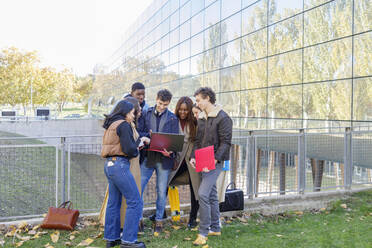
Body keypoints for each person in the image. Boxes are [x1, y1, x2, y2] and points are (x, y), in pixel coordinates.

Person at [101, 100, 150, 248]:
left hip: (109, 165)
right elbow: (130, 150)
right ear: (125, 112)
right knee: (135, 202)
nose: (133, 115)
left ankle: (112, 238)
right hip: (120, 166)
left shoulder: (111, 124)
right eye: (132, 113)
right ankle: (129, 241)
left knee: (113, 202)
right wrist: (140, 142)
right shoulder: (124, 124)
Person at [190, 87, 233, 246]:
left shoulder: (223, 118)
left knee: (202, 194)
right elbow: (197, 140)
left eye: (199, 100)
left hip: (215, 162)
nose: (197, 103)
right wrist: (193, 157)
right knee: (212, 195)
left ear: (207, 98)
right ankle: (215, 227)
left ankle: (203, 232)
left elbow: (226, 143)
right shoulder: (201, 117)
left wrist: (214, 160)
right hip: (202, 160)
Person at [138, 89, 179, 234]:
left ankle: (159, 221)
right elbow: (139, 131)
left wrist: (172, 149)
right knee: (139, 189)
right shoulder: (145, 113)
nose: (162, 107)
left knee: (161, 191)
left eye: (165, 105)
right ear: (156, 99)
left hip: (164, 159)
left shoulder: (173, 118)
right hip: (148, 157)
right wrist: (148, 138)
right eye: (160, 103)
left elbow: (174, 139)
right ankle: (138, 219)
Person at [168, 97, 200, 229]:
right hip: (178, 159)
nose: (183, 112)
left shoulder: (194, 122)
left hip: (191, 160)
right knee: (165, 182)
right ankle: (159, 214)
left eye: (186, 110)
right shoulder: (173, 121)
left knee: (195, 189)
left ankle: (193, 219)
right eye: (180, 109)